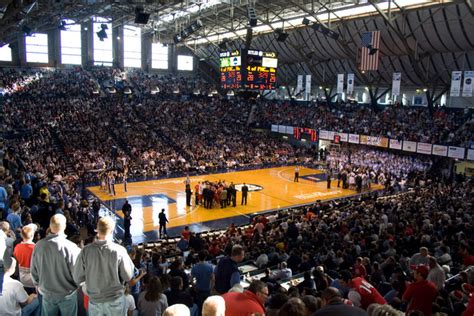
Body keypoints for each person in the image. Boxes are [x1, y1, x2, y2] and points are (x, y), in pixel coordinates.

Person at [73, 216, 135, 315]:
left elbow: (77, 278)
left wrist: (88, 286)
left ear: (97, 229)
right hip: (115, 300)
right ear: (112, 230)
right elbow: (127, 276)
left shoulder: (86, 251)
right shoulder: (119, 250)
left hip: (95, 301)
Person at [30, 214, 81, 316]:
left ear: (50, 225)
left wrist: (38, 285)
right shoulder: (72, 248)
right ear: (65, 227)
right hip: (67, 294)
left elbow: (33, 270)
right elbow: (78, 274)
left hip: (47, 293)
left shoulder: (39, 245)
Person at [13, 224, 37, 292]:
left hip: (22, 278)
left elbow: (16, 260)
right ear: (32, 235)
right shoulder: (36, 248)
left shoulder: (17, 247)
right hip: (34, 279)